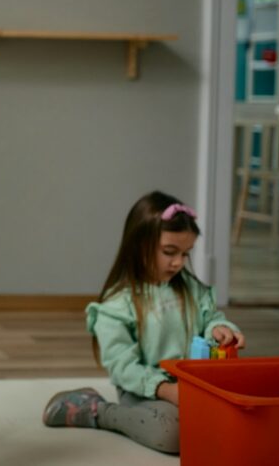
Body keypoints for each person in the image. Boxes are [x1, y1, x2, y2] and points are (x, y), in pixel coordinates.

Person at [42, 191, 246, 454]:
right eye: (169, 252)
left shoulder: (192, 291)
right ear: (138, 246)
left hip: (192, 387)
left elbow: (211, 319)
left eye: (186, 254)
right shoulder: (118, 304)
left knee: (238, 418)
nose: (178, 263)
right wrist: (165, 389)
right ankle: (98, 411)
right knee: (172, 434)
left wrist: (221, 329)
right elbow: (123, 366)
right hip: (143, 391)